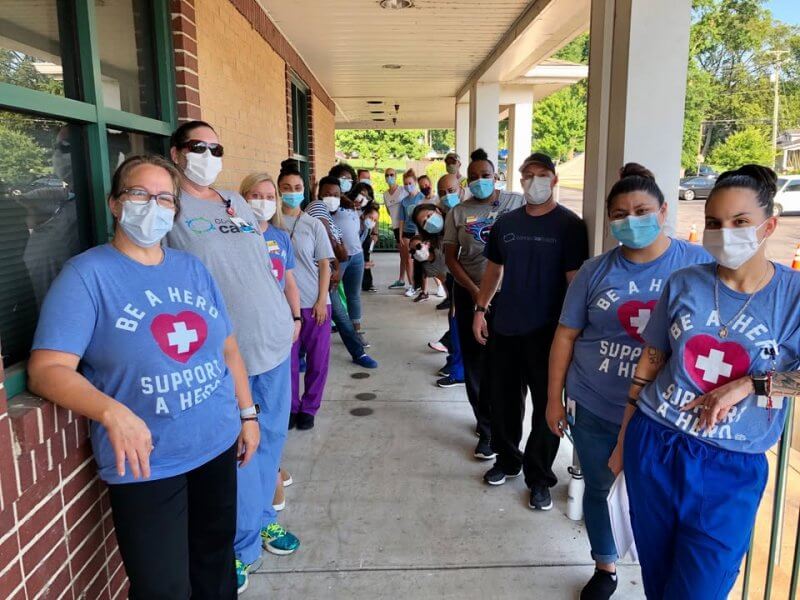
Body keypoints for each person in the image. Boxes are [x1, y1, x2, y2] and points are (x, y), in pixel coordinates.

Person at [27, 154, 258, 599]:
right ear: (116, 204)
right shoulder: (87, 275)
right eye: (139, 193)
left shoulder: (191, 268)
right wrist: (111, 412)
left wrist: (247, 415)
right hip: (148, 462)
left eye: (165, 198)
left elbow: (228, 348)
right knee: (163, 588)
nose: (153, 205)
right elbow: (46, 369)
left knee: (215, 567)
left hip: (216, 440)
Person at [615, 165, 800, 600]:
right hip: (655, 443)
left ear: (769, 225)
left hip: (730, 466)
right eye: (715, 223)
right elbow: (653, 358)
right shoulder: (685, 282)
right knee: (657, 579)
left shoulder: (792, 295)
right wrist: (624, 440)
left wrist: (749, 385)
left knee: (699, 588)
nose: (724, 233)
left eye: (740, 223)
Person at [545, 164, 710, 600]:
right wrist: (553, 400)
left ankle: (664, 564)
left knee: (663, 495)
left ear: (664, 210)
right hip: (596, 402)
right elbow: (566, 334)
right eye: (620, 213)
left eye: (641, 210)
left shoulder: (696, 266)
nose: (631, 220)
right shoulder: (593, 271)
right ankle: (605, 564)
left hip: (667, 412)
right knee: (600, 487)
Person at [165, 121, 298, 591]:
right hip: (225, 354)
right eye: (197, 146)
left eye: (215, 146)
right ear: (177, 152)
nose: (207, 153)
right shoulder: (168, 208)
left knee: (271, 441)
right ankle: (237, 547)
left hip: (275, 342)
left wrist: (292, 316)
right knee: (239, 450)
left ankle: (262, 519)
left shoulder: (233, 201)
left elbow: (263, 264)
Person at [471, 151, 587, 509]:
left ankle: (539, 477)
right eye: (526, 174)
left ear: (553, 179)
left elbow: (575, 283)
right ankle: (508, 460)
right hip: (506, 326)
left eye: (540, 174)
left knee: (546, 408)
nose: (533, 180)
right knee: (505, 401)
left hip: (549, 334)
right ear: (520, 180)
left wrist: (574, 333)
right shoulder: (507, 223)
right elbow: (493, 271)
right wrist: (480, 308)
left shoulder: (569, 226)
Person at [443, 148, 525, 460]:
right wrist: (478, 292)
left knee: (505, 364)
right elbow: (451, 258)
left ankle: (506, 426)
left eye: (485, 176)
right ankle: (486, 428)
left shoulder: (515, 202)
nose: (480, 181)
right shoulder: (458, 213)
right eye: (474, 177)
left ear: (496, 176)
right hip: (471, 294)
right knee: (476, 363)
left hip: (510, 297)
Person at [239, 172, 302, 516]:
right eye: (254, 195)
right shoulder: (234, 237)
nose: (262, 202)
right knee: (245, 417)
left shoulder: (280, 236)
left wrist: (296, 317)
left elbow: (289, 281)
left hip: (276, 335)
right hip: (244, 341)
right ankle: (259, 487)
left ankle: (272, 469)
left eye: (268, 195)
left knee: (274, 417)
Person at [277, 160, 335, 430]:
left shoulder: (313, 224)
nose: (292, 191)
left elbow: (325, 264)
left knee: (318, 361)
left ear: (305, 190)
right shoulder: (268, 224)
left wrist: (322, 300)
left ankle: (309, 408)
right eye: (286, 187)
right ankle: (290, 407)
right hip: (283, 308)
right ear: (278, 190)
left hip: (314, 304)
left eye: (297, 187)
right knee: (287, 362)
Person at [310, 176, 378, 369]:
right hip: (315, 274)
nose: (331, 198)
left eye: (335, 195)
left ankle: (358, 352)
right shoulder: (316, 208)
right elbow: (330, 240)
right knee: (329, 314)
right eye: (326, 194)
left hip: (329, 272)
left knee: (338, 311)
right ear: (318, 194)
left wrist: (338, 266)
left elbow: (338, 242)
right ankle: (357, 352)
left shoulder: (343, 210)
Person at [414, 203, 464, 389]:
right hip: (456, 283)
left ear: (437, 210)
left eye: (428, 216)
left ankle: (460, 371)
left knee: (459, 326)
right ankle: (455, 363)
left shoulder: (459, 222)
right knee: (455, 324)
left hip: (469, 281)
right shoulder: (435, 241)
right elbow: (442, 274)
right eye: (424, 222)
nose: (429, 222)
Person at [329, 168, 369, 341]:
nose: (346, 181)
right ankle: (338, 325)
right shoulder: (330, 202)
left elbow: (359, 227)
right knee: (331, 291)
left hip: (356, 254)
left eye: (349, 179)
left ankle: (356, 332)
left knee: (354, 295)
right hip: (338, 256)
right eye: (341, 178)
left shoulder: (353, 203)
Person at [383, 167, 408, 289]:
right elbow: (389, 211)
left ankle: (415, 283)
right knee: (402, 255)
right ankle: (401, 279)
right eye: (387, 175)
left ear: (396, 176)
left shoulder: (403, 190)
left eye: (392, 174)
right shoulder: (385, 194)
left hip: (406, 227)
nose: (389, 177)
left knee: (410, 256)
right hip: (396, 227)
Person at [360, 200, 381, 294]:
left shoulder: (365, 230)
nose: (372, 222)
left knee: (365, 259)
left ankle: (367, 284)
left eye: (375, 220)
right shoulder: (356, 226)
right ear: (364, 215)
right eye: (370, 218)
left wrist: (375, 233)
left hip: (363, 243)